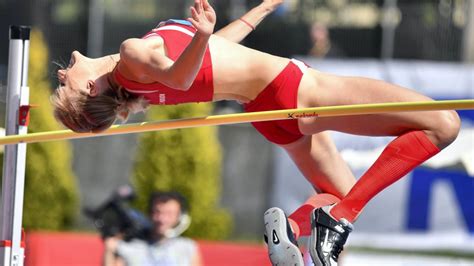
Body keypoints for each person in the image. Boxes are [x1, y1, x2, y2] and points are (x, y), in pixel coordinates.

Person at [52, 0, 461, 265]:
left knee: (340, 188)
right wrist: (203, 33)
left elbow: (214, 57)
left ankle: (296, 229)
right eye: (64, 84)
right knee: (444, 124)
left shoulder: (138, 79)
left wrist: (261, 10)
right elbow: (182, 76)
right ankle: (339, 222)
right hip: (292, 89)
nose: (61, 72)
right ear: (90, 88)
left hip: (264, 110)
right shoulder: (131, 54)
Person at [103, 191, 201, 266]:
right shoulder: (131, 246)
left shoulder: (187, 247)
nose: (162, 219)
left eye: (169, 214)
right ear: (149, 214)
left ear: (179, 217)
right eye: (157, 212)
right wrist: (110, 251)